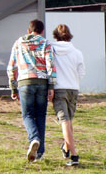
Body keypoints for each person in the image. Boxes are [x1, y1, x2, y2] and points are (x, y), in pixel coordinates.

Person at [7, 19, 56, 163]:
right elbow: (51, 65)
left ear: (29, 30)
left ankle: (34, 138)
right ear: (42, 31)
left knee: (28, 115)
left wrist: (13, 87)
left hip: (25, 82)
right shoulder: (46, 43)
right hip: (42, 83)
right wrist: (51, 86)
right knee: (41, 116)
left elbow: (11, 67)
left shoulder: (18, 43)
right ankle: (39, 153)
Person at [51, 24, 85, 167]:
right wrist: (74, 81)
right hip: (73, 88)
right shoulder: (77, 52)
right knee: (69, 121)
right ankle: (66, 147)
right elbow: (82, 72)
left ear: (55, 35)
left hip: (59, 89)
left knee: (64, 121)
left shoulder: (51, 50)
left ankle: (74, 155)